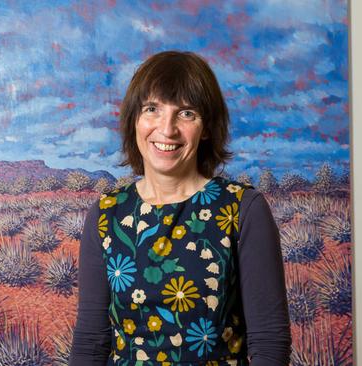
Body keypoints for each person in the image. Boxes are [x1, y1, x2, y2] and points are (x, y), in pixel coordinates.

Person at [69, 51, 291, 366]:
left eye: (186, 113)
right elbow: (90, 345)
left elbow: (270, 345)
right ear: (134, 119)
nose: (167, 129)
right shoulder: (107, 215)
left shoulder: (243, 209)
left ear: (208, 128)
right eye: (152, 109)